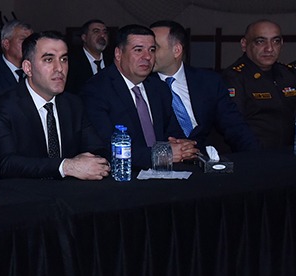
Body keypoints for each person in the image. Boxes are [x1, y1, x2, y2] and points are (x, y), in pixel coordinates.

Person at [0, 32, 108, 180]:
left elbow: (97, 149)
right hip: (25, 191)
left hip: (70, 191)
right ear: (28, 68)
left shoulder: (73, 104)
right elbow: (6, 164)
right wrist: (65, 167)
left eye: (64, 59)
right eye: (49, 60)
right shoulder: (0, 106)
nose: (59, 68)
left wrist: (98, 162)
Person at [81, 25, 197, 169]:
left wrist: (183, 146)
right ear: (118, 53)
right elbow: (105, 149)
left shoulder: (158, 88)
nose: (147, 57)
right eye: (138, 50)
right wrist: (161, 154)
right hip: (123, 176)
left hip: (165, 173)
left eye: (152, 50)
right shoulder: (96, 90)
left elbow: (173, 133)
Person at [150, 20, 258, 152]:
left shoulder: (208, 81)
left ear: (177, 50)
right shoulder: (142, 86)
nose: (147, 55)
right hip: (164, 160)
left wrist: (256, 156)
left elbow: (234, 126)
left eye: (153, 49)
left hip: (205, 158)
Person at [222, 20, 296, 150]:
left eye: (275, 41)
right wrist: (257, 154)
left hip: (289, 154)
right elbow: (233, 127)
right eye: (260, 41)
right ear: (244, 44)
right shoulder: (234, 77)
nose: (269, 48)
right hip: (252, 155)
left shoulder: (287, 75)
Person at [67, 19, 114, 93]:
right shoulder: (72, 63)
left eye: (105, 32)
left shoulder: (114, 61)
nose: (102, 35)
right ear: (84, 37)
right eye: (96, 31)